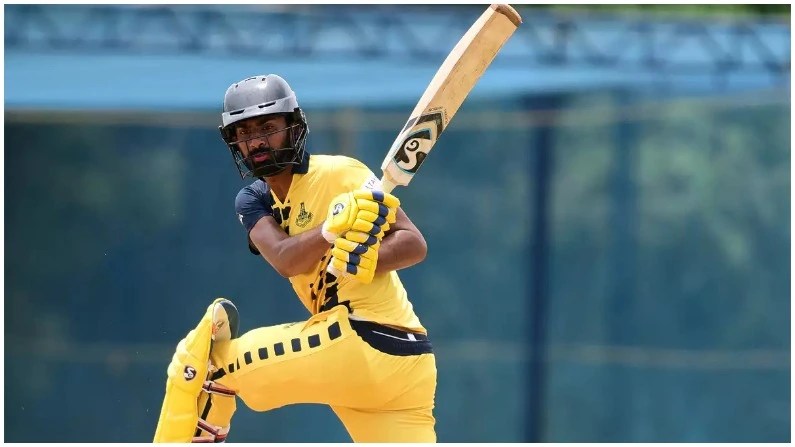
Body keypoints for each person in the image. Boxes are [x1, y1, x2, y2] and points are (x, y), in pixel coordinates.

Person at [153, 74, 437, 443]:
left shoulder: (341, 173)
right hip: (397, 363)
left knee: (214, 366)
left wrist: (369, 256)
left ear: (294, 127)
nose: (256, 141)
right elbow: (286, 259)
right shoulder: (253, 201)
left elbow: (414, 243)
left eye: (268, 127)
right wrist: (330, 230)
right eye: (244, 132)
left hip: (366, 339)